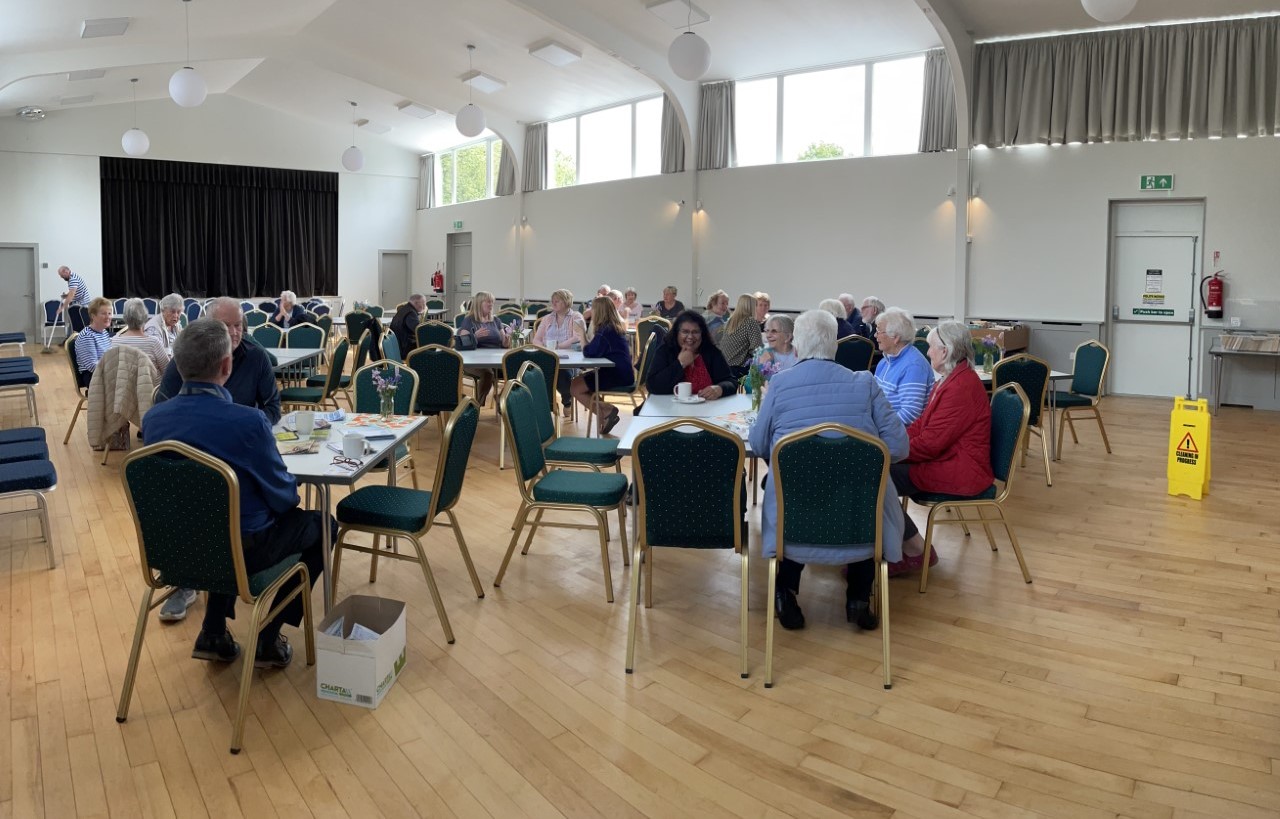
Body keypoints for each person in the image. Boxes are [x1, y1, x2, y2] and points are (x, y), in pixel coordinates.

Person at [142, 319, 330, 669]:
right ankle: (269, 636)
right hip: (241, 554)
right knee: (321, 526)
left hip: (174, 550)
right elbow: (284, 497)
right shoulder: (249, 422)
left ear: (177, 366)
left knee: (215, 520)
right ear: (227, 366)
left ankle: (213, 632)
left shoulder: (154, 421)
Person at [749, 310, 908, 631]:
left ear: (797, 347)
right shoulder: (865, 384)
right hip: (858, 521)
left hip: (794, 522)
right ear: (834, 346)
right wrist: (857, 457)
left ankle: (785, 592)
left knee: (797, 490)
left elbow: (759, 444)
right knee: (859, 494)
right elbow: (900, 447)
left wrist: (805, 461)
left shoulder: (779, 385)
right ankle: (859, 599)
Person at [153, 297, 283, 623]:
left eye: (239, 325)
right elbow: (284, 498)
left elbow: (271, 408)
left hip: (239, 458)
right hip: (220, 493)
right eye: (226, 326)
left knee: (217, 513)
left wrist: (244, 434)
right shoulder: (191, 359)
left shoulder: (256, 359)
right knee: (241, 518)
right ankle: (264, 635)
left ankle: (212, 622)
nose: (235, 332)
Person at [890, 321, 994, 576]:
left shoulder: (960, 387)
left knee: (875, 478)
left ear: (945, 351)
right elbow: (920, 426)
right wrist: (892, 441)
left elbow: (929, 445)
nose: (928, 353)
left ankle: (915, 550)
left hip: (960, 470)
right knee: (877, 471)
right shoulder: (950, 378)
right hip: (949, 461)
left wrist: (887, 450)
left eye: (931, 347)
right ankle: (890, 546)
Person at [570, 296, 634, 435]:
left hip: (617, 374)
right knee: (577, 383)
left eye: (593, 309)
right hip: (620, 371)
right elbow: (593, 349)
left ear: (599, 312)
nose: (591, 312)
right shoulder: (610, 328)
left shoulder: (606, 331)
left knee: (575, 388)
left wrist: (581, 334)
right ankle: (605, 413)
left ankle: (607, 411)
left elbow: (589, 352)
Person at [646, 311, 736, 399]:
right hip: (669, 409)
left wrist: (720, 388)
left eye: (695, 332)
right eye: (685, 332)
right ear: (677, 333)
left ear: (702, 334)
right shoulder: (665, 350)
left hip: (706, 409)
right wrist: (680, 363)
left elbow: (731, 382)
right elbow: (652, 386)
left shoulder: (711, 352)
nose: (690, 337)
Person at [873, 307, 933, 426]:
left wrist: (879, 429)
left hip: (897, 435)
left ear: (895, 338)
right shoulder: (885, 361)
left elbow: (910, 414)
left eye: (879, 331)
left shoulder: (913, 367)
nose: (875, 335)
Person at [532, 289, 586, 414]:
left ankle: (567, 400)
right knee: (538, 371)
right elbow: (536, 340)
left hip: (569, 357)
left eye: (557, 301)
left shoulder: (576, 316)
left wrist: (558, 346)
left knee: (561, 373)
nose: (553, 303)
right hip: (548, 357)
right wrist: (546, 350)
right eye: (553, 301)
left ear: (567, 302)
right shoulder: (547, 318)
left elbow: (577, 337)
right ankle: (546, 404)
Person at [457, 290, 512, 405]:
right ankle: (476, 406)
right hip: (474, 360)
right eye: (488, 302)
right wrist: (474, 336)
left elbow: (503, 343)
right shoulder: (469, 320)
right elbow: (463, 343)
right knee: (488, 374)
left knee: (517, 369)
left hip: (495, 360)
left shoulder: (496, 320)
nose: (491, 304)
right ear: (479, 303)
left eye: (492, 302)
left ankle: (501, 399)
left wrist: (506, 340)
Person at [112, 298, 170, 376]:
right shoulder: (153, 343)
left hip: (124, 387)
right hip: (151, 387)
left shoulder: (115, 341)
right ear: (145, 316)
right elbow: (167, 371)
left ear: (125, 318)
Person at [718, 294, 764, 377]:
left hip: (722, 367)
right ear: (751, 306)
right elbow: (757, 349)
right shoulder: (750, 322)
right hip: (738, 369)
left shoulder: (729, 321)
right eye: (756, 305)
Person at [73, 297, 114, 389]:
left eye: (109, 313)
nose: (108, 317)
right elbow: (92, 366)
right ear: (93, 316)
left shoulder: (104, 333)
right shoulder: (87, 336)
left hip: (105, 373)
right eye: (103, 314)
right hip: (93, 377)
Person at [752, 314, 798, 382]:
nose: (768, 335)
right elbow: (751, 386)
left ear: (788, 336)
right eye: (767, 331)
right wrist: (761, 366)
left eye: (774, 331)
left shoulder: (799, 355)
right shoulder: (762, 354)